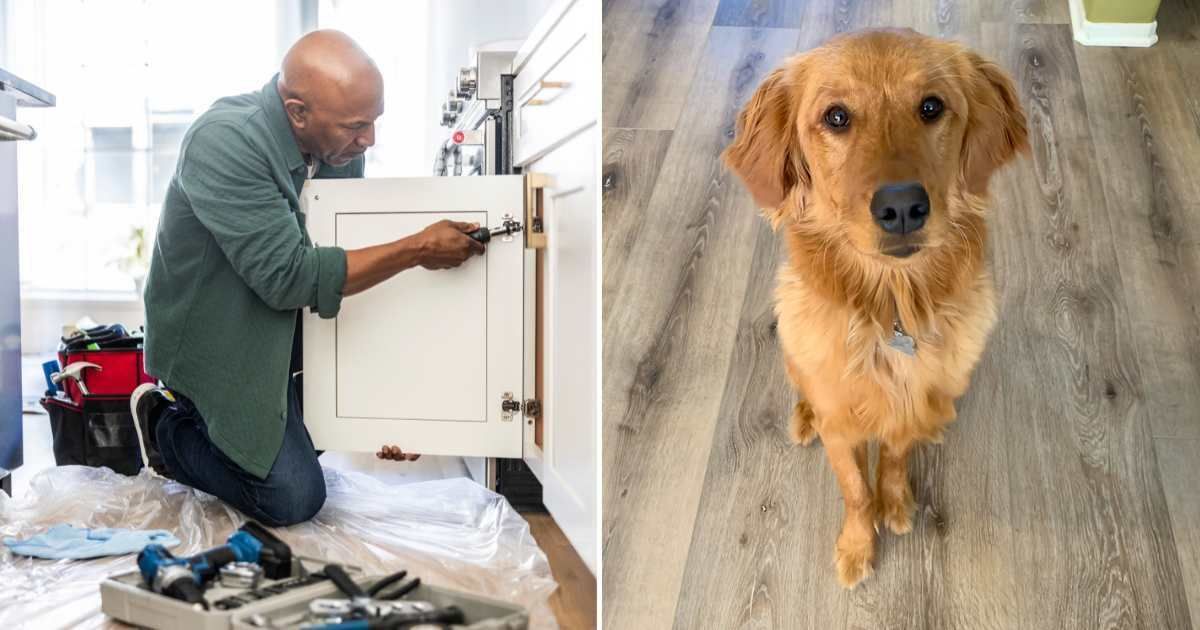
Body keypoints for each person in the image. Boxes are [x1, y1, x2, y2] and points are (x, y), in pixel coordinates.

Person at [130, 30, 484, 527]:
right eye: (356, 126)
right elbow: (291, 279)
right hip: (217, 336)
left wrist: (389, 411)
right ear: (297, 112)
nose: (369, 141)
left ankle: (268, 428)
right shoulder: (225, 141)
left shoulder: (340, 153)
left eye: (374, 122)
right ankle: (166, 427)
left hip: (285, 328)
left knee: (306, 451)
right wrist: (417, 248)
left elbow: (340, 268)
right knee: (290, 498)